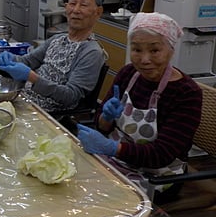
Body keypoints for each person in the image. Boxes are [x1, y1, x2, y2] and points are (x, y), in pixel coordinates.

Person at [77, 12, 202, 201]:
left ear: (171, 50)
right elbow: (102, 127)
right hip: (115, 162)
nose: (144, 59)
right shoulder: (128, 74)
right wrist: (106, 118)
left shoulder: (186, 93)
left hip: (156, 177)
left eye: (154, 50)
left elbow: (162, 155)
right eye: (136, 50)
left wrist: (113, 148)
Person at [0, 0, 106, 116]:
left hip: (50, 115)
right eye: (72, 3)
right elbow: (27, 61)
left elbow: (71, 96)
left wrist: (32, 78)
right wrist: (10, 58)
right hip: (24, 100)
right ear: (66, 8)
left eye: (83, 5)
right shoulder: (57, 39)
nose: (76, 10)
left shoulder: (92, 52)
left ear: (98, 12)